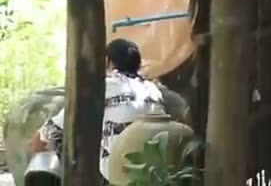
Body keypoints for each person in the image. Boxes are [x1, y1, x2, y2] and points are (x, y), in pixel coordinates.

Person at [29, 38, 169, 183]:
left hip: (115, 174)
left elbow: (52, 130)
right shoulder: (153, 90)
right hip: (154, 173)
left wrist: (37, 143)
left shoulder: (102, 87)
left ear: (108, 62)